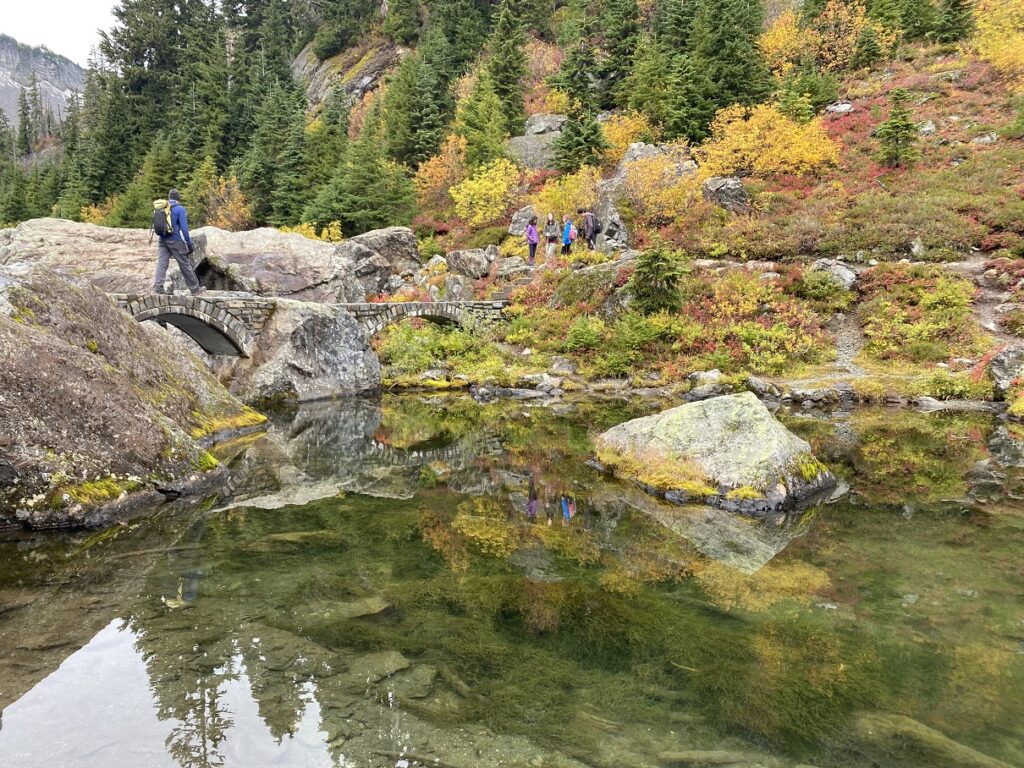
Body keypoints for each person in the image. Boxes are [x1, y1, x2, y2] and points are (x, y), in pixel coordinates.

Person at [154, 189, 205, 295]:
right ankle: (195, 289)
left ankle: (158, 287)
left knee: (162, 263)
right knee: (184, 264)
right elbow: (184, 229)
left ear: (169, 197)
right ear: (178, 199)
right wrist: (189, 243)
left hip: (162, 240)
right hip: (175, 240)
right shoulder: (180, 209)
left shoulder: (161, 207)